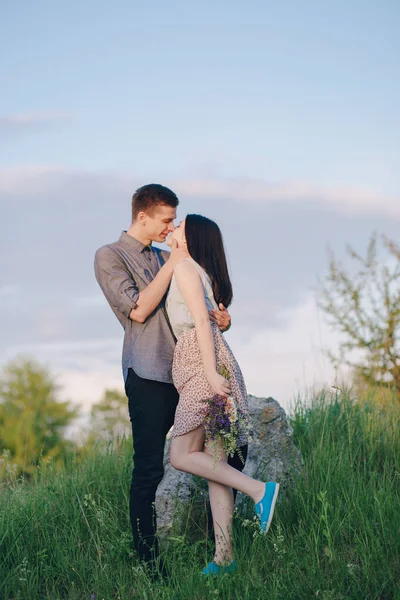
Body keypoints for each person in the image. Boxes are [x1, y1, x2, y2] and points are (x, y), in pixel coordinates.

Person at [93, 184, 248, 578]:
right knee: (148, 469)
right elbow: (139, 309)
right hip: (149, 373)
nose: (171, 226)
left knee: (221, 455)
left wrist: (223, 320)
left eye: (174, 220)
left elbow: (197, 314)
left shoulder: (173, 257)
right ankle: (150, 566)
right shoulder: (110, 256)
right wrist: (175, 258)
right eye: (165, 219)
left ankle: (224, 556)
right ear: (142, 216)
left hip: (190, 373)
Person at [165, 214, 280, 576]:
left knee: (182, 454)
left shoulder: (184, 267)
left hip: (203, 366)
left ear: (192, 237)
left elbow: (201, 323)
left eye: (179, 224)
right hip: (213, 362)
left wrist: (211, 375)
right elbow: (213, 322)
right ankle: (224, 559)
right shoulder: (201, 273)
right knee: (216, 465)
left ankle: (260, 490)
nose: (172, 227)